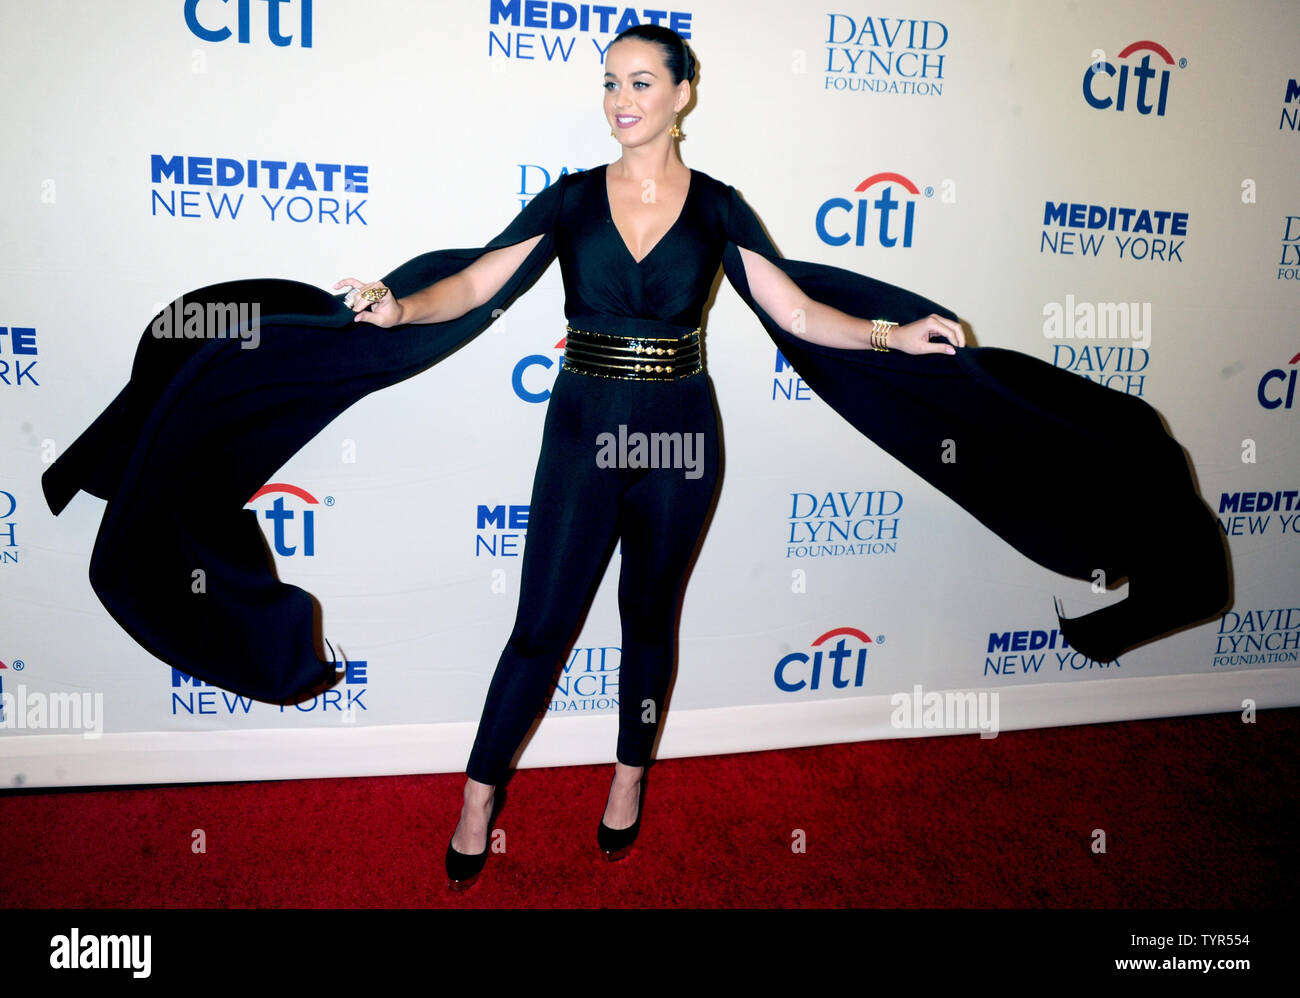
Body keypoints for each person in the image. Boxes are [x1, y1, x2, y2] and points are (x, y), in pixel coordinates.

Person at [43, 25, 1229, 891]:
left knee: (648, 624)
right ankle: (477, 799)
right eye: (606, 82)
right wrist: (397, 305)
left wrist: (889, 330)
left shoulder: (719, 204)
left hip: (681, 436)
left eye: (638, 81)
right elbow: (475, 278)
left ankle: (627, 777)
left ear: (683, 94)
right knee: (538, 627)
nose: (617, 98)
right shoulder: (568, 197)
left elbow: (795, 307)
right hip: (582, 426)